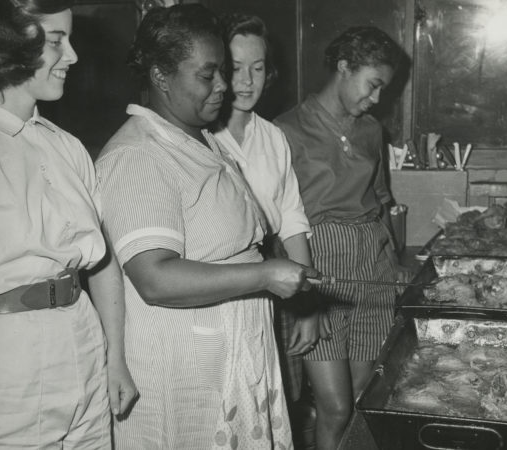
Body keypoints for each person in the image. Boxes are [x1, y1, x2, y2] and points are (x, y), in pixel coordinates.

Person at [95, 5, 318, 449]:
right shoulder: (139, 155)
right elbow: (155, 278)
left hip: (231, 350)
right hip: (184, 363)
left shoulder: (203, 137)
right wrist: (264, 274)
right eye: (208, 74)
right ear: (161, 75)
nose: (224, 86)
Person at [0, 0, 118, 447]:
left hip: (81, 337)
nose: (74, 56)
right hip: (6, 360)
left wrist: (115, 356)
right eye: (57, 41)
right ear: (10, 42)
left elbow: (101, 262)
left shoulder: (68, 147)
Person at [275, 26, 408, 449]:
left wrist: (396, 262)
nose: (376, 99)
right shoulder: (285, 131)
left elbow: (382, 200)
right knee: (334, 406)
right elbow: (279, 221)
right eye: (372, 85)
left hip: (373, 265)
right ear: (344, 67)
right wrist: (302, 297)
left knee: (363, 394)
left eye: (382, 89)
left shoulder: (372, 131)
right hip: (319, 266)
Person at [213, 13, 325, 411]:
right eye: (235, 68)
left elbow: (292, 221)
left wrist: (307, 303)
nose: (246, 81)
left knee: (280, 400)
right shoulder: (203, 138)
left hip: (272, 269)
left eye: (257, 68)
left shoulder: (273, 136)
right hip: (220, 281)